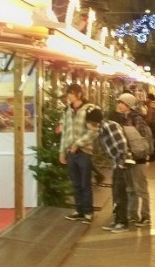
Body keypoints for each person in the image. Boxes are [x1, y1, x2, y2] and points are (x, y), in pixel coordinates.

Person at [84, 107, 130, 233]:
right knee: (116, 193)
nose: (88, 126)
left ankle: (122, 223)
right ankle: (117, 221)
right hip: (116, 164)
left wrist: (120, 163)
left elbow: (122, 145)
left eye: (88, 123)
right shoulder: (102, 130)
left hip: (120, 165)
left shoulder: (110, 127)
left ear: (94, 122)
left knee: (120, 193)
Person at [59, 84, 96, 223]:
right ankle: (79, 210)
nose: (69, 96)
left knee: (85, 183)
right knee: (75, 183)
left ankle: (88, 211)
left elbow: (94, 131)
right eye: (68, 93)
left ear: (80, 94)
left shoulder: (90, 109)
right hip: (70, 152)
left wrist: (78, 143)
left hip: (84, 152)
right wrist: (62, 151)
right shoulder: (67, 110)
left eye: (72, 93)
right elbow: (65, 132)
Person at [115, 93, 153, 227]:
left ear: (128, 105)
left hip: (138, 158)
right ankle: (132, 215)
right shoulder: (123, 118)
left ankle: (145, 216)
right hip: (128, 158)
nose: (119, 105)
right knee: (131, 188)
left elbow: (143, 139)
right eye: (119, 102)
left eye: (121, 102)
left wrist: (139, 153)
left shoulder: (137, 119)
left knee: (140, 188)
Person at [144, 94, 155, 162]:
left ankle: (152, 156)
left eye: (147, 98)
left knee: (152, 142)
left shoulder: (150, 109)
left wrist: (146, 124)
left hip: (152, 127)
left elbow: (149, 120)